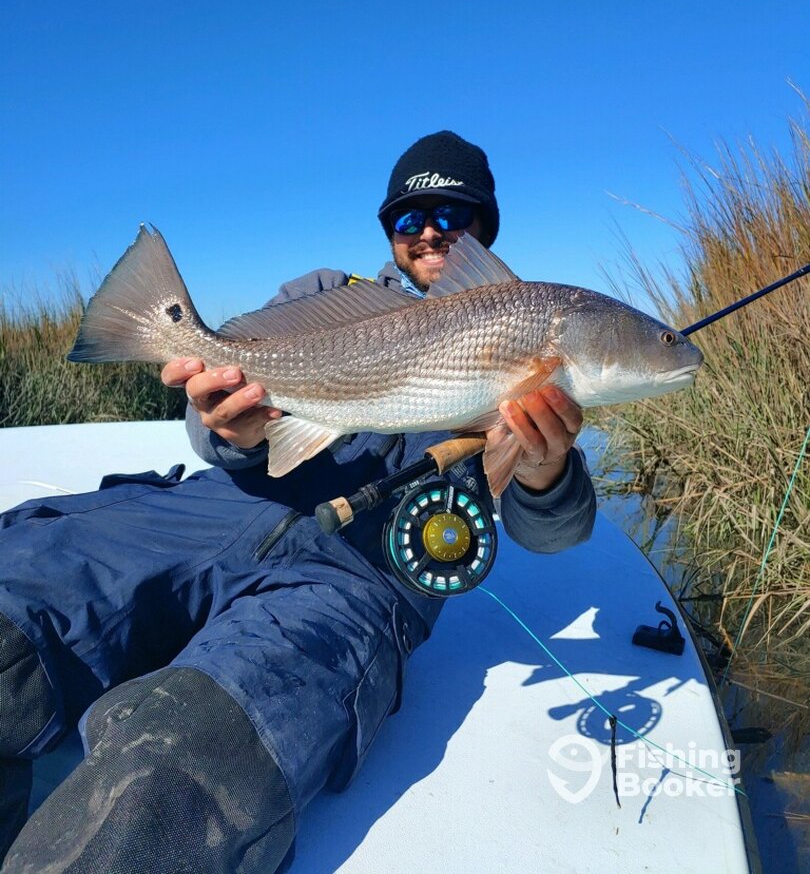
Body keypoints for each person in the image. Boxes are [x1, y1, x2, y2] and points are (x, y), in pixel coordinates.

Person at [0, 131, 595, 873]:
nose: (432, 230)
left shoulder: (536, 338)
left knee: (183, 766)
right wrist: (231, 428)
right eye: (411, 218)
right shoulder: (321, 295)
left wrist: (544, 469)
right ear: (391, 234)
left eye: (454, 212)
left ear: (486, 226)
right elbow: (208, 418)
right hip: (209, 510)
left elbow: (557, 530)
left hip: (359, 578)